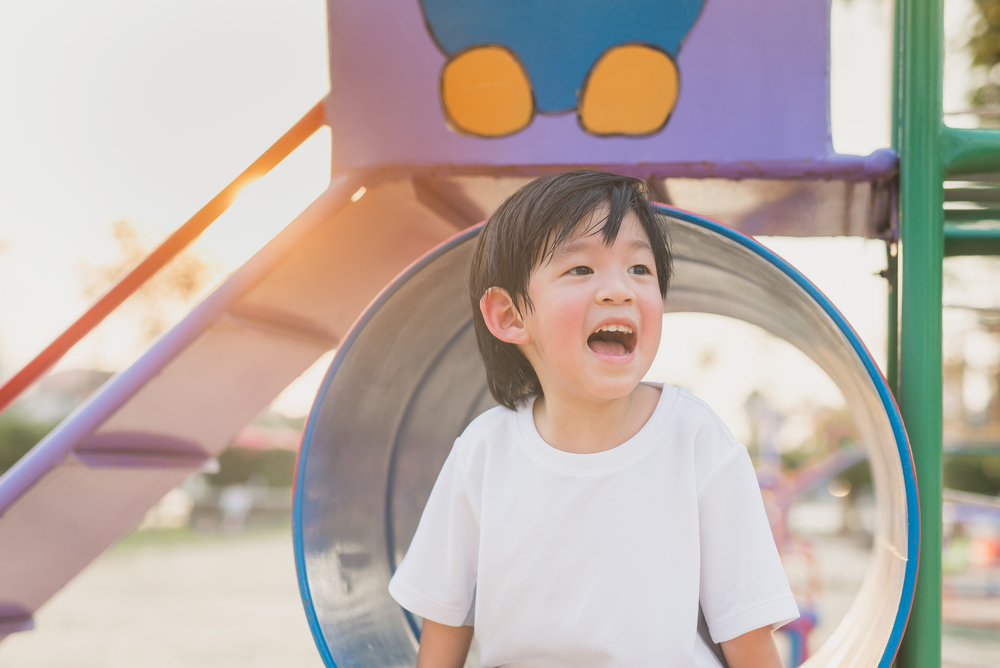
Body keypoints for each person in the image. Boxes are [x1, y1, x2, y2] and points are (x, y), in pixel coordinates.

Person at [388, 171, 798, 667]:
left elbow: (746, 626)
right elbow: (445, 617)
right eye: (581, 269)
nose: (619, 290)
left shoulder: (692, 439)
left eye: (640, 269)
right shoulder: (485, 451)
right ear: (511, 316)